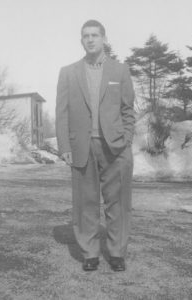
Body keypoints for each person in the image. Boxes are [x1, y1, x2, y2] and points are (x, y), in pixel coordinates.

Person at [55, 20, 135, 271]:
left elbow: (127, 110)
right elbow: (62, 113)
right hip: (82, 147)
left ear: (103, 38)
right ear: (82, 40)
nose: (90, 39)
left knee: (118, 203)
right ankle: (89, 252)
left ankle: (116, 252)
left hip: (115, 147)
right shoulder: (68, 72)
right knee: (85, 203)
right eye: (85, 36)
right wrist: (65, 146)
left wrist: (126, 139)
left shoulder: (120, 70)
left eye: (95, 35)